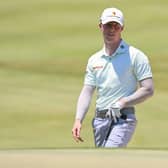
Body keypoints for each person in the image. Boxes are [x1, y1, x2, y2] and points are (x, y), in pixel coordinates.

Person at [72, 7, 154, 148]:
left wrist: (122, 102)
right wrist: (78, 119)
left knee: (110, 155)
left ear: (122, 28)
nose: (112, 30)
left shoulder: (136, 56)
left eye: (116, 26)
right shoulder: (94, 59)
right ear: (100, 26)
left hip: (123, 117)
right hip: (99, 120)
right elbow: (87, 91)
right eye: (108, 25)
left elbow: (148, 89)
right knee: (105, 160)